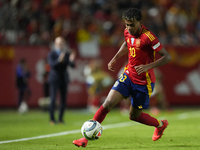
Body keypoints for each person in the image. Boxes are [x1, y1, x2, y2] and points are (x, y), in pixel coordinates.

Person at [73, 8, 171, 147]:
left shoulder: (148, 37)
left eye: (132, 25)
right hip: (128, 75)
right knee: (107, 103)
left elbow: (167, 57)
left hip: (144, 82)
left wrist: (148, 66)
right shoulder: (127, 32)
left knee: (134, 116)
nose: (129, 28)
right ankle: (84, 139)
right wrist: (115, 58)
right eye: (127, 24)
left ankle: (160, 124)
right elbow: (126, 43)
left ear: (140, 22)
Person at [48, 36, 76, 125]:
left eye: (62, 43)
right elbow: (52, 65)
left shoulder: (66, 54)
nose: (61, 45)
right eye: (59, 43)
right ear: (55, 44)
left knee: (63, 100)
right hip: (54, 78)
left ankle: (60, 119)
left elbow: (72, 65)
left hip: (63, 78)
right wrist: (59, 60)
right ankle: (52, 119)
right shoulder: (51, 54)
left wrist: (71, 60)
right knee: (53, 99)